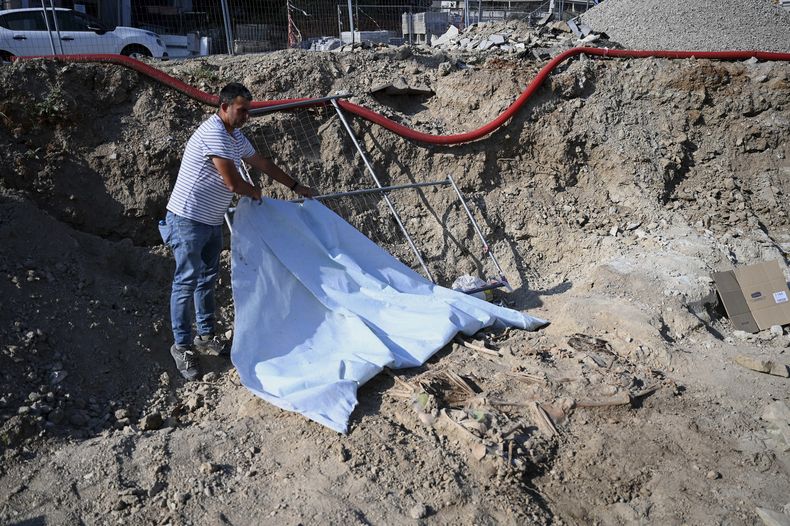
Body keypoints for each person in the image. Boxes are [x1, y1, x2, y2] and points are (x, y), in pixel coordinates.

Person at [165, 82, 314, 380]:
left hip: (210, 220)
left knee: (207, 278)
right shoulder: (214, 133)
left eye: (249, 111)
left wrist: (295, 186)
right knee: (186, 282)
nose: (247, 116)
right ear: (224, 107)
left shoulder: (234, 136)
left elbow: (261, 162)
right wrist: (254, 191)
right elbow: (232, 183)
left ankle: (205, 336)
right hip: (187, 220)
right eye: (242, 110)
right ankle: (181, 346)